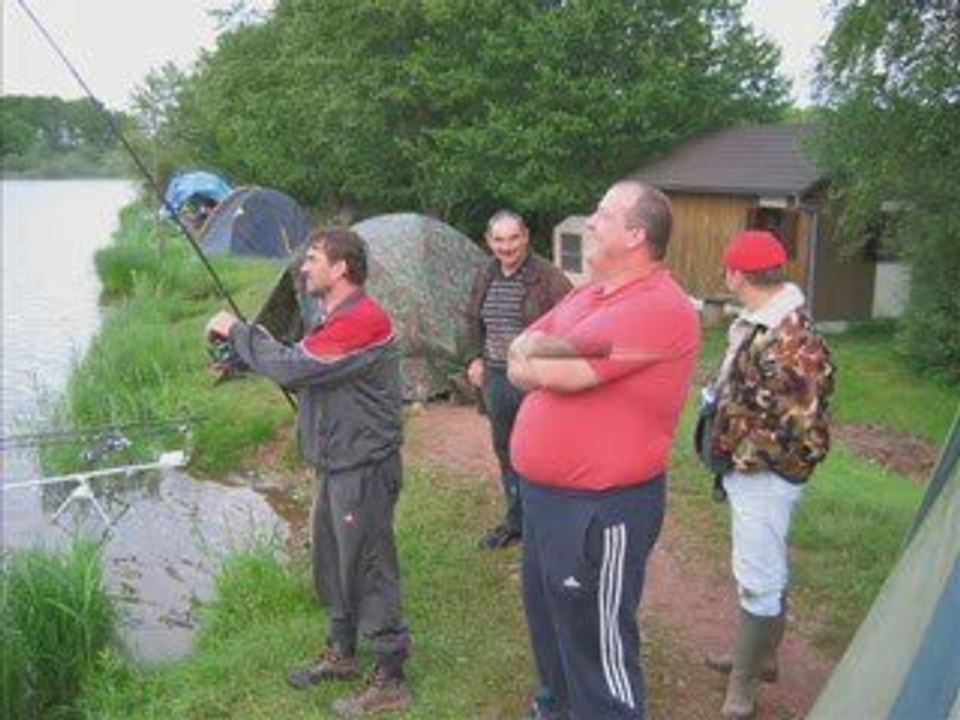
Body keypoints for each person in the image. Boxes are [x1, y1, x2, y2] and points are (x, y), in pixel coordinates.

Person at [507, 181, 700, 719]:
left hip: (600, 509)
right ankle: (556, 709)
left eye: (601, 214)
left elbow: (562, 370)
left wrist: (538, 360)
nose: (590, 222)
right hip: (546, 499)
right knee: (550, 620)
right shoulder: (588, 294)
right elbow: (519, 350)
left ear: (636, 234)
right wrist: (536, 359)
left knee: (597, 638)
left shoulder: (659, 307)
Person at [205, 228, 412, 718]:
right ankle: (341, 654)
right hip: (336, 463)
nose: (304, 267)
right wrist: (247, 355)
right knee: (332, 562)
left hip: (362, 467)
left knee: (368, 565)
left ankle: (391, 676)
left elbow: (297, 368)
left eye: (313, 259)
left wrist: (238, 331)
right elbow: (301, 364)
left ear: (342, 268)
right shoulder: (330, 316)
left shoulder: (363, 320)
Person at [703, 229, 834, 720]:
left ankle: (744, 684)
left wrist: (733, 450)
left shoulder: (790, 335)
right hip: (754, 469)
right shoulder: (765, 320)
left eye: (727, 270)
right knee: (763, 561)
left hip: (766, 474)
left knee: (758, 575)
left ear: (738, 274)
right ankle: (762, 657)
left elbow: (796, 424)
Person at [463, 210, 572, 550]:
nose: (506, 247)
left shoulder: (550, 278)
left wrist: (550, 371)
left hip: (534, 381)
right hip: (496, 376)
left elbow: (572, 329)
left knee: (542, 452)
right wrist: (474, 357)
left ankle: (549, 524)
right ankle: (516, 522)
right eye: (499, 240)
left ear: (525, 236)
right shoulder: (485, 273)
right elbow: (470, 318)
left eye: (513, 238)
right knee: (507, 451)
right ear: (488, 241)